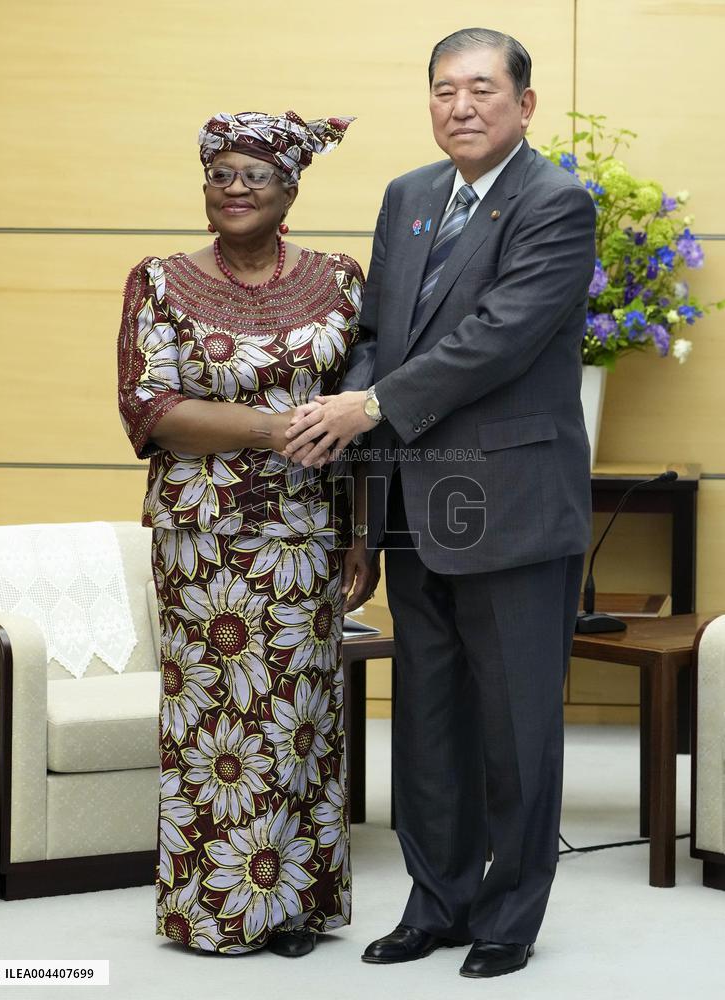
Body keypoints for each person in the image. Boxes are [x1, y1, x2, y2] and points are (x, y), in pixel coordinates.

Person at [284, 28, 597, 979]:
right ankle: (438, 900)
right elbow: (379, 333)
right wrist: (369, 474)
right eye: (443, 91)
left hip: (513, 500)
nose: (460, 107)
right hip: (419, 501)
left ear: (524, 104)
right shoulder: (409, 197)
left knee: (515, 726)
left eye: (481, 90)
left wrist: (368, 404)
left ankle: (510, 915)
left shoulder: (556, 201)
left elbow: (498, 339)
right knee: (426, 721)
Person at [117, 110, 377, 958]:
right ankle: (216, 910)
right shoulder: (158, 280)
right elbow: (150, 408)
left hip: (310, 528)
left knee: (300, 715)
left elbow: (367, 407)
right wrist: (268, 430)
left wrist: (364, 533)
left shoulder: (341, 279)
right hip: (204, 537)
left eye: (253, 175)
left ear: (290, 190)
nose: (234, 188)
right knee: (215, 721)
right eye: (219, 174)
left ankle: (294, 903)